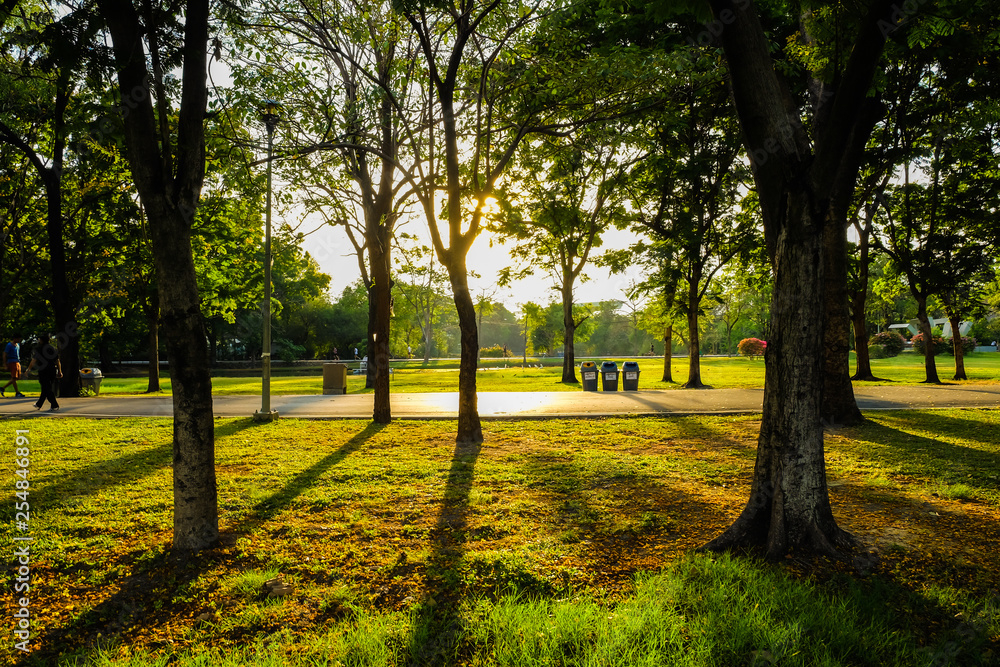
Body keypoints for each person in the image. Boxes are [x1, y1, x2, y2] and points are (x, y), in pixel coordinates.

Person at [25, 334, 62, 411]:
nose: (38, 341)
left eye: (39, 339)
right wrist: (60, 371)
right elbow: (57, 361)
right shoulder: (53, 348)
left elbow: (34, 360)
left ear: (41, 340)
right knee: (46, 387)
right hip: (52, 369)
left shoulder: (39, 349)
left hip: (43, 369)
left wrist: (28, 369)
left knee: (46, 388)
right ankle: (39, 404)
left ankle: (54, 405)